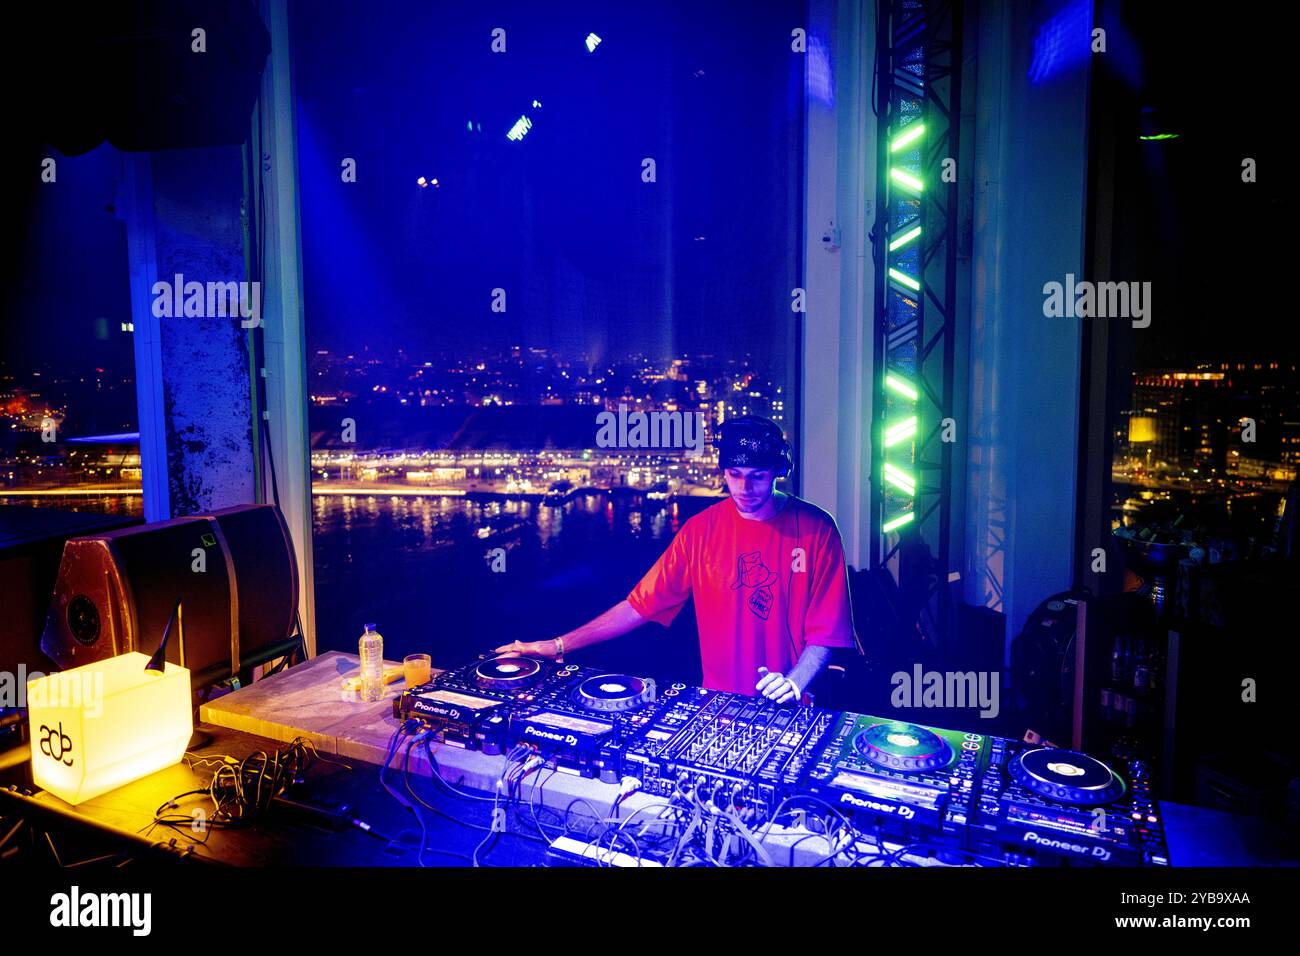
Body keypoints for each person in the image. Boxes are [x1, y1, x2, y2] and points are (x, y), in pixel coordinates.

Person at [496, 416, 857, 703]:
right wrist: (558, 645)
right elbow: (639, 606)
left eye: (757, 477)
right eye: (734, 475)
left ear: (780, 472)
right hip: (716, 705)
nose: (744, 489)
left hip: (793, 704)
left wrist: (794, 684)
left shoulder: (817, 530)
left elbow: (825, 633)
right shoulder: (700, 530)